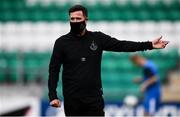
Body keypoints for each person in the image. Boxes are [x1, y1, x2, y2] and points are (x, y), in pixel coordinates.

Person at [48, 4, 169, 116]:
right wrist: (53, 96)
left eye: (78, 19)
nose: (74, 22)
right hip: (72, 99)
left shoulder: (97, 38)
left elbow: (122, 45)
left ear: (86, 20)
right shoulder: (61, 43)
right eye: (72, 19)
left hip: (94, 98)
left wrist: (149, 45)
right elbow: (54, 70)